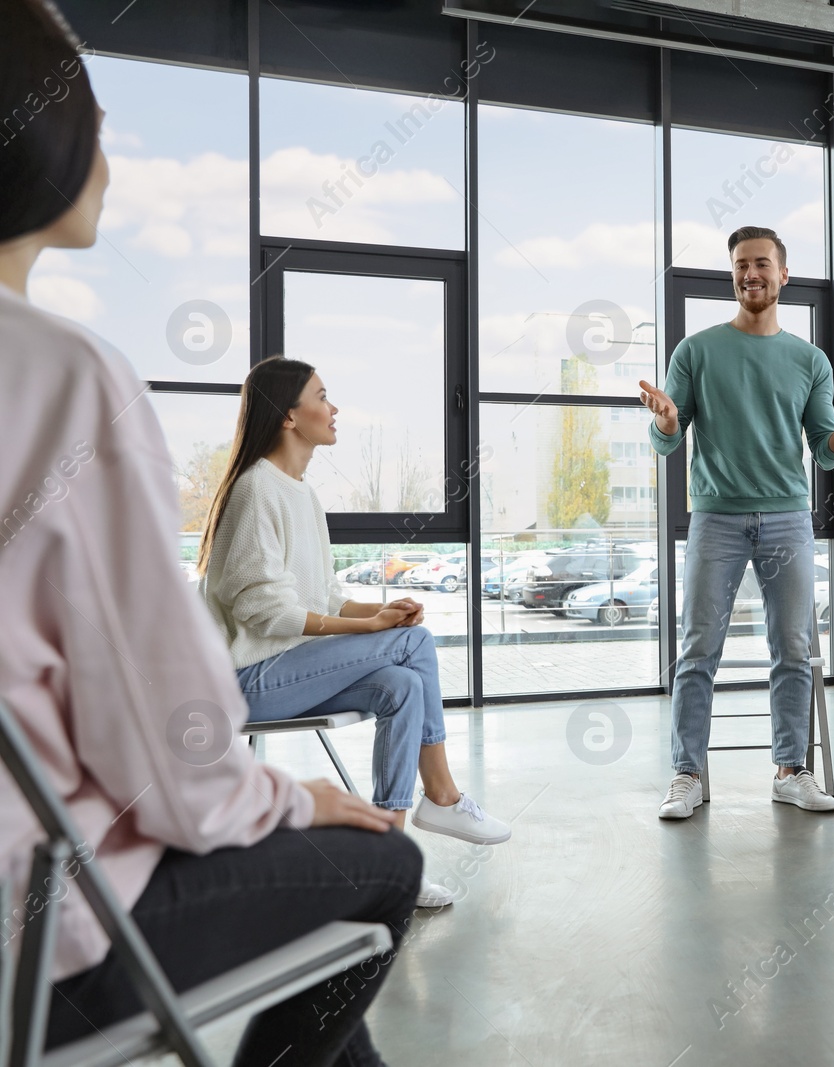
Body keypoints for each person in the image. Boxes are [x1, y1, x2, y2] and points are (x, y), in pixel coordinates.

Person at [0, 2, 420, 1060]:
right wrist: (287, 797)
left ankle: (430, 786)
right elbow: (171, 745)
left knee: (407, 664)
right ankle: (427, 805)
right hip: (35, 929)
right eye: (92, 118)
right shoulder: (63, 379)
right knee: (386, 860)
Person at [201, 357, 511, 908]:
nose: (335, 407)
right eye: (323, 396)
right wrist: (371, 626)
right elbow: (268, 614)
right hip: (246, 682)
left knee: (402, 684)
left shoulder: (301, 492)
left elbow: (318, 598)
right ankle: (441, 794)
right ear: (289, 417)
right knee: (413, 647)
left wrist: (382, 612)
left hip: (292, 669)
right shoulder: (255, 491)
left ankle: (391, 860)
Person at [640, 225, 834, 819]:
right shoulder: (695, 350)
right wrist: (669, 422)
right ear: (733, 274)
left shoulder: (809, 359)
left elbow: (823, 450)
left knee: (794, 647)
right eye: (741, 265)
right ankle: (687, 774)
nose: (751, 274)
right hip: (716, 520)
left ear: (783, 275)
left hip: (787, 520)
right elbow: (666, 442)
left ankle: (790, 770)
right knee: (698, 649)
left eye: (761, 264)